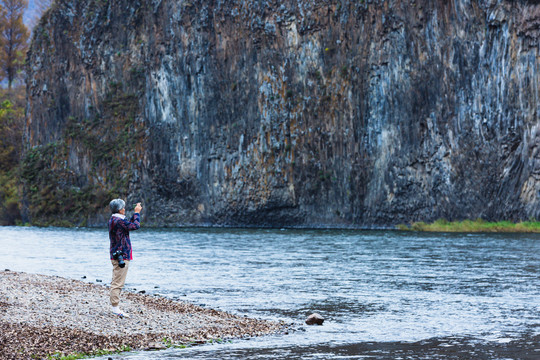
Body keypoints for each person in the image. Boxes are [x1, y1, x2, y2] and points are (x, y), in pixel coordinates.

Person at [108, 198, 142, 318]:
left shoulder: (114, 219)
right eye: (123, 208)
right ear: (120, 209)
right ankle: (115, 308)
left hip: (116, 254)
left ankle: (115, 306)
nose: (124, 209)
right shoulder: (118, 221)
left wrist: (134, 213)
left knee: (116, 280)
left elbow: (128, 225)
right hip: (121, 255)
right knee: (118, 282)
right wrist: (137, 213)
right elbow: (135, 226)